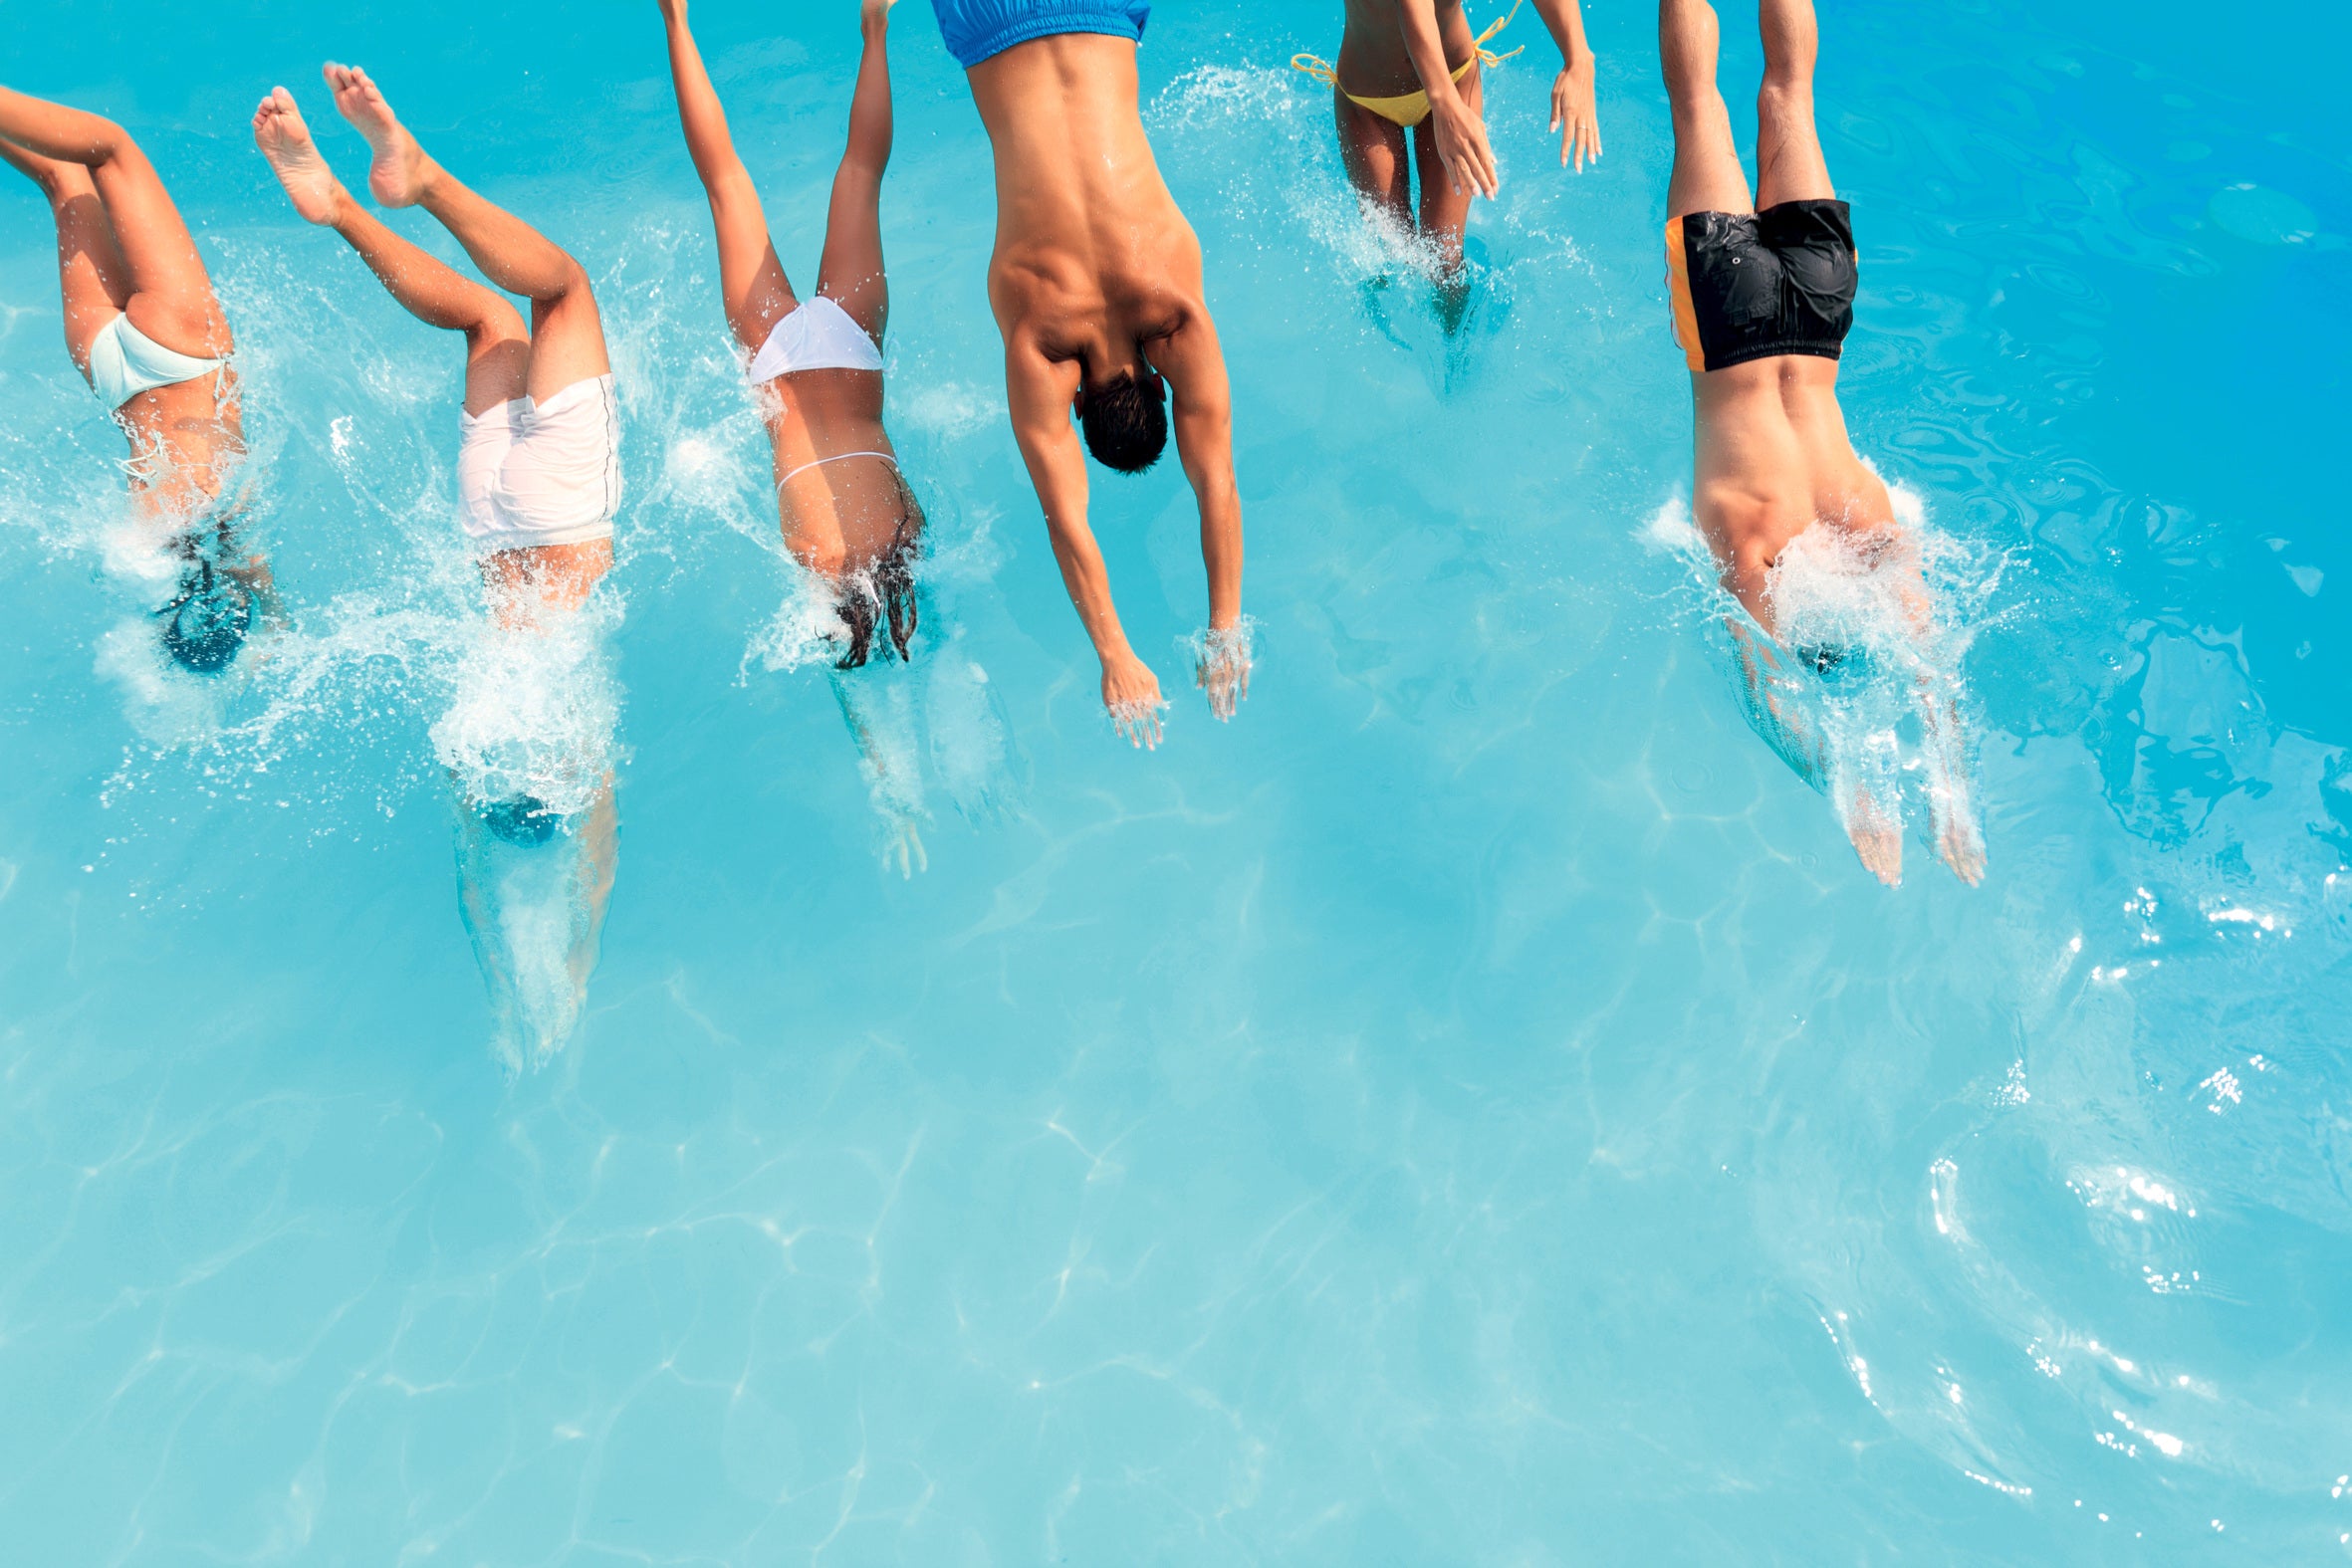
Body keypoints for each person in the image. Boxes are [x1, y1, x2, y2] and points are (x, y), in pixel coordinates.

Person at [253, 70, 622, 1063]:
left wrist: (576, 966)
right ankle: (336, 208)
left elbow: (599, 866)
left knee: (558, 292)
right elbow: (468, 880)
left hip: (559, 513)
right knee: (485, 324)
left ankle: (423, 179)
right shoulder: (472, 741)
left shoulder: (573, 746)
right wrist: (509, 985)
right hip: (489, 524)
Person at [1658, 0, 1984, 887]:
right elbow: (1766, 687)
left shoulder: (1865, 520)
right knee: (1699, 106)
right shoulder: (1750, 547)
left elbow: (1931, 667)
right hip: (1727, 321)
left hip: (1817, 314)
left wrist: (1954, 801)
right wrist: (1852, 792)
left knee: (1790, 94)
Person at [933, 0, 1248, 749]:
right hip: (990, 20)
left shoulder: (1175, 312)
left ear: (1154, 376)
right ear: (1078, 405)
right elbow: (1065, 521)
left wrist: (1226, 625)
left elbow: (1219, 486)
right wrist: (1113, 654)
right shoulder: (1039, 339)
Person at [0, 87, 272, 675]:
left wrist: (275, 620)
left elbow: (262, 588)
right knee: (60, 180)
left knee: (111, 152)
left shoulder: (242, 541)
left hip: (185, 353)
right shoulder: (144, 541)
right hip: (110, 373)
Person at [1294, 0, 1600, 275]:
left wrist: (1578, 57)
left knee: (1445, 264)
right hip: (1368, 102)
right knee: (1391, 262)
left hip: (1455, 78)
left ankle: (1459, 338)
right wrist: (1442, 102)